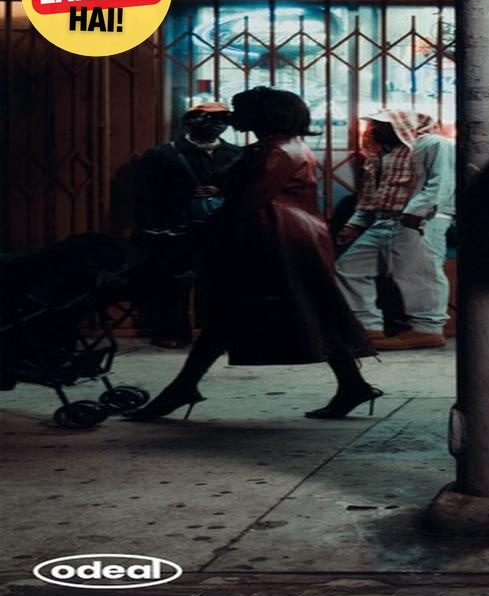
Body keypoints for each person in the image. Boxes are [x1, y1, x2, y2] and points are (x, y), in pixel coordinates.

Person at [124, 87, 380, 421]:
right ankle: (352, 385)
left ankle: (183, 387)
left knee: (245, 312)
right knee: (303, 310)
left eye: (239, 109)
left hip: (276, 239)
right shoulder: (276, 148)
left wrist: (198, 231)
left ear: (262, 115)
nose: (233, 117)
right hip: (281, 237)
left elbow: (247, 199)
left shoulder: (277, 152)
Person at [335, 109, 455, 350]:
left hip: (420, 220)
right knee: (349, 268)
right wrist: (355, 224)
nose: (372, 130)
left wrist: (416, 214)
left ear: (400, 126)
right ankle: (368, 327)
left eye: (379, 125)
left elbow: (442, 183)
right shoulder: (382, 154)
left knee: (419, 274)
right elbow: (372, 194)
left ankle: (427, 329)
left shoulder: (434, 144)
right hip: (384, 220)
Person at [132, 103, 242, 348]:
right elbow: (146, 194)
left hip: (223, 228)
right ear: (190, 121)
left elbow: (247, 189)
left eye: (223, 119)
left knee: (222, 282)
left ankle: (217, 334)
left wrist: (221, 192)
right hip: (177, 228)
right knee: (174, 282)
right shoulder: (162, 155)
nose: (217, 124)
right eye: (209, 118)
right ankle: (172, 332)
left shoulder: (236, 154)